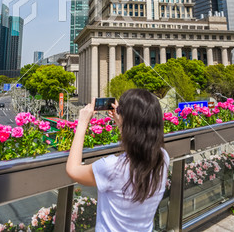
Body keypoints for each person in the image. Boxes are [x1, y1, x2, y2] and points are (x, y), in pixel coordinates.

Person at [66, 88, 169, 232]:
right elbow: (139, 137)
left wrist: (82, 122)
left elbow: (72, 169)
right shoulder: (163, 158)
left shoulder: (112, 167)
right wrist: (122, 119)